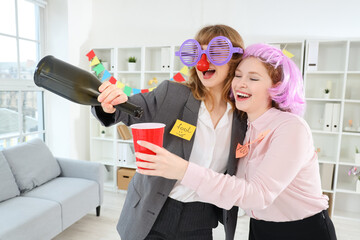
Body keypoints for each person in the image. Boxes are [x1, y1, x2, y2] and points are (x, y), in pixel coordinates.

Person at [135, 43, 337, 240]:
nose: (240, 83)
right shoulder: (245, 126)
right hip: (259, 228)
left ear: (277, 86)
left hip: (303, 231)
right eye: (238, 75)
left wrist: (183, 170)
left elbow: (258, 195)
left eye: (253, 78)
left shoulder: (291, 128)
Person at [92, 24, 246, 240]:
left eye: (216, 51)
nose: (205, 61)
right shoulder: (173, 94)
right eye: (197, 52)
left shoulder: (244, 115)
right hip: (153, 212)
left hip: (200, 217)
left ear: (236, 58)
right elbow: (129, 110)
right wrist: (110, 105)